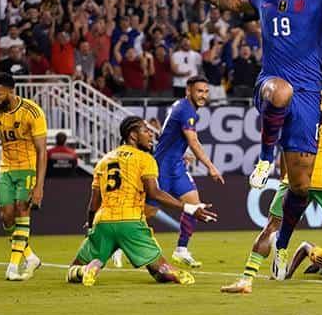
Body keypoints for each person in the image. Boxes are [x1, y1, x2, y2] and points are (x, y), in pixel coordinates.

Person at [174, 0, 322, 279]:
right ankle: (264, 159)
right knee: (280, 91)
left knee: (301, 187)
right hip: (272, 83)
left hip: (309, 97)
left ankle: (283, 245)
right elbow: (234, 1)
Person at [221, 72, 322, 293]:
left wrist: (284, 173)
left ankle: (246, 279)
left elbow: (286, 140)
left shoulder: (306, 99)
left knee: (271, 226)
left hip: (297, 174)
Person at [66, 117, 216, 286]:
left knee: (72, 270)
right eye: (146, 131)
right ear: (133, 136)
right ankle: (171, 272)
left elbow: (93, 204)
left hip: (104, 222)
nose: (151, 135)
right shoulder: (145, 159)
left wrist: (92, 226)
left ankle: (87, 269)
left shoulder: (103, 161)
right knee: (161, 272)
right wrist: (189, 208)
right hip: (131, 223)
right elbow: (155, 193)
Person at [145, 76, 224, 268]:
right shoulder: (185, 110)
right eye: (199, 91)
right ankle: (119, 244)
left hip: (176, 166)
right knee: (146, 213)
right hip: (161, 168)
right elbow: (193, 141)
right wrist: (211, 167)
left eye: (206, 91)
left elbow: (173, 137)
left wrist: (182, 154)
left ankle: (181, 250)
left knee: (194, 205)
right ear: (188, 91)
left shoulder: (181, 106)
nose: (203, 95)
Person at [0, 72, 47, 281]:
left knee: (21, 210)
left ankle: (12, 266)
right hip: (6, 168)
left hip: (28, 168)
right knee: (6, 217)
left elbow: (42, 151)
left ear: (11, 91)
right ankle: (30, 257)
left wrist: (39, 187)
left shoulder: (32, 112)